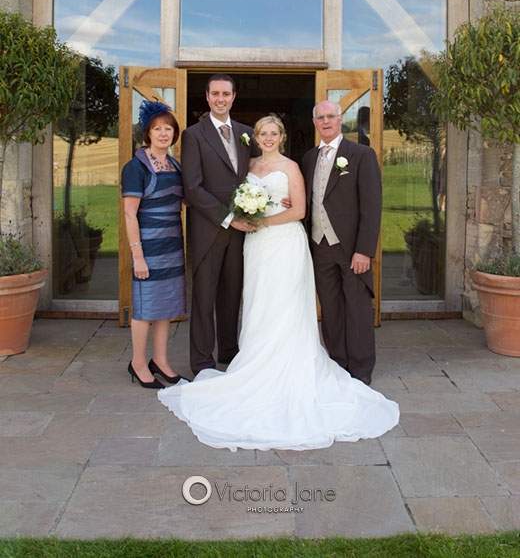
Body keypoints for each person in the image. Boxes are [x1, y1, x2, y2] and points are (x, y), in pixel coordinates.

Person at [158, 114, 399, 451]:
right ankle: (256, 359)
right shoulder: (249, 166)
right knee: (260, 302)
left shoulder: (293, 166)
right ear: (255, 137)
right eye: (263, 133)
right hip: (256, 247)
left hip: (284, 243)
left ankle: (334, 365)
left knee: (287, 303)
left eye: (274, 133)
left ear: (282, 137)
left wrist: (262, 221)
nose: (268, 138)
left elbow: (299, 210)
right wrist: (245, 216)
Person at [301, 100, 382, 386]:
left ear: (340, 119)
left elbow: (371, 206)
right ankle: (337, 362)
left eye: (331, 116)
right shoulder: (308, 159)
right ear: (314, 123)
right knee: (331, 308)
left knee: (357, 308)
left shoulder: (361, 154)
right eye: (320, 117)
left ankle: (361, 367)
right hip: (319, 245)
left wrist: (364, 250)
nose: (326, 121)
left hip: (351, 247)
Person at [181, 74, 256, 376]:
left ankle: (229, 352)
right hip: (209, 230)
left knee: (232, 294)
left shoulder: (247, 133)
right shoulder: (193, 135)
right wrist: (228, 217)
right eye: (215, 94)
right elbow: (192, 187)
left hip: (241, 232)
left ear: (234, 97)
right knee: (204, 297)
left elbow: (258, 174)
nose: (220, 99)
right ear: (207, 97)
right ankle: (202, 362)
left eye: (226, 94)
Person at [121, 99, 186, 389]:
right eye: (157, 128)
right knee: (145, 307)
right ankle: (137, 362)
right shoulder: (135, 167)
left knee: (165, 305)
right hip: (147, 248)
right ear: (147, 133)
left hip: (172, 246)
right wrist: (138, 256)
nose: (163, 133)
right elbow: (129, 214)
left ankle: (160, 360)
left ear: (174, 133)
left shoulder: (174, 164)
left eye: (168, 129)